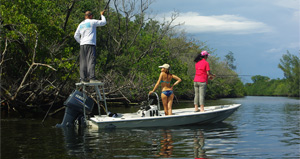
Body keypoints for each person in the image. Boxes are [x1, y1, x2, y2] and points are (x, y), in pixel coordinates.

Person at [74, 10, 107, 83]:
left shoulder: (81, 24)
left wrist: (81, 42)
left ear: (85, 16)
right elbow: (104, 22)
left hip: (82, 45)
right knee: (91, 60)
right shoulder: (92, 22)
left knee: (83, 62)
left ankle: (83, 79)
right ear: (91, 16)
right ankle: (92, 78)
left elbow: (75, 35)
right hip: (90, 44)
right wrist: (102, 15)